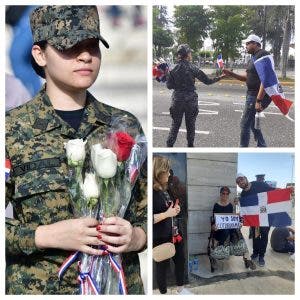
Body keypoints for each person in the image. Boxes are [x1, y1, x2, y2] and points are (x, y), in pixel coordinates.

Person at [6, 6, 147, 295]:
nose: (85, 56)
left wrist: (136, 238)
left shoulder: (123, 125)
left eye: (92, 47)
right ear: (39, 54)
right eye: (70, 47)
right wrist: (44, 235)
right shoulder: (11, 130)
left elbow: (145, 210)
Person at [166, 44, 225, 147]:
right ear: (188, 54)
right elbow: (208, 81)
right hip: (190, 100)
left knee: (175, 125)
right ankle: (190, 146)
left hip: (177, 99)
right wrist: (220, 77)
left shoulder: (172, 69)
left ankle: (169, 147)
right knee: (191, 125)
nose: (191, 54)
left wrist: (178, 84)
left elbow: (169, 86)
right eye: (190, 53)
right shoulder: (193, 68)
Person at [222, 34, 272, 147]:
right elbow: (247, 77)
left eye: (248, 43)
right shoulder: (253, 58)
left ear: (255, 43)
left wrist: (258, 100)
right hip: (251, 95)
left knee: (244, 124)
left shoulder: (262, 55)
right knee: (252, 124)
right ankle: (262, 146)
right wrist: (231, 74)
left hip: (255, 96)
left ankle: (243, 148)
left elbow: (266, 78)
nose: (246, 46)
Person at [153, 156, 192, 295]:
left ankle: (181, 290)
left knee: (180, 261)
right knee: (161, 267)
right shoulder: (152, 193)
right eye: (167, 171)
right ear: (159, 172)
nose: (169, 174)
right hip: (161, 237)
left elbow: (169, 210)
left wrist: (175, 210)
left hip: (175, 234)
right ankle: (163, 293)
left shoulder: (165, 189)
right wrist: (167, 214)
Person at [236, 173, 275, 267]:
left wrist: (287, 191)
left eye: (241, 180)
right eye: (238, 182)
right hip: (254, 219)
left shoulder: (259, 184)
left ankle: (262, 256)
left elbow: (273, 191)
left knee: (264, 236)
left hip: (265, 216)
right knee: (255, 235)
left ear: (246, 178)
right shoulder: (244, 193)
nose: (240, 182)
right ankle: (255, 252)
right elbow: (244, 207)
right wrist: (238, 202)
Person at [211, 186, 255, 269]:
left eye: (227, 194)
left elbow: (231, 219)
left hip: (228, 230)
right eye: (223, 193)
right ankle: (243, 256)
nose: (225, 195)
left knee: (238, 232)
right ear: (220, 194)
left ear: (228, 195)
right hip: (219, 231)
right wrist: (213, 226)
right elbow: (214, 220)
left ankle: (246, 257)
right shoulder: (216, 205)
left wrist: (236, 222)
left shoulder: (230, 206)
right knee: (227, 231)